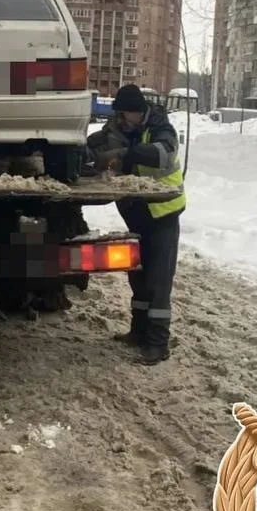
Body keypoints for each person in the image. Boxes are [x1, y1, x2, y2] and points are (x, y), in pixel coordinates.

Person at [86, 85, 186, 364]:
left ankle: (157, 344)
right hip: (137, 213)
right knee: (138, 277)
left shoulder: (160, 127)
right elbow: (95, 144)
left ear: (138, 111)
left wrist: (126, 154)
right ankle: (138, 332)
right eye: (118, 114)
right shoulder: (118, 126)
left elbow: (162, 154)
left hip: (163, 213)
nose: (121, 119)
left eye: (125, 114)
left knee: (158, 281)